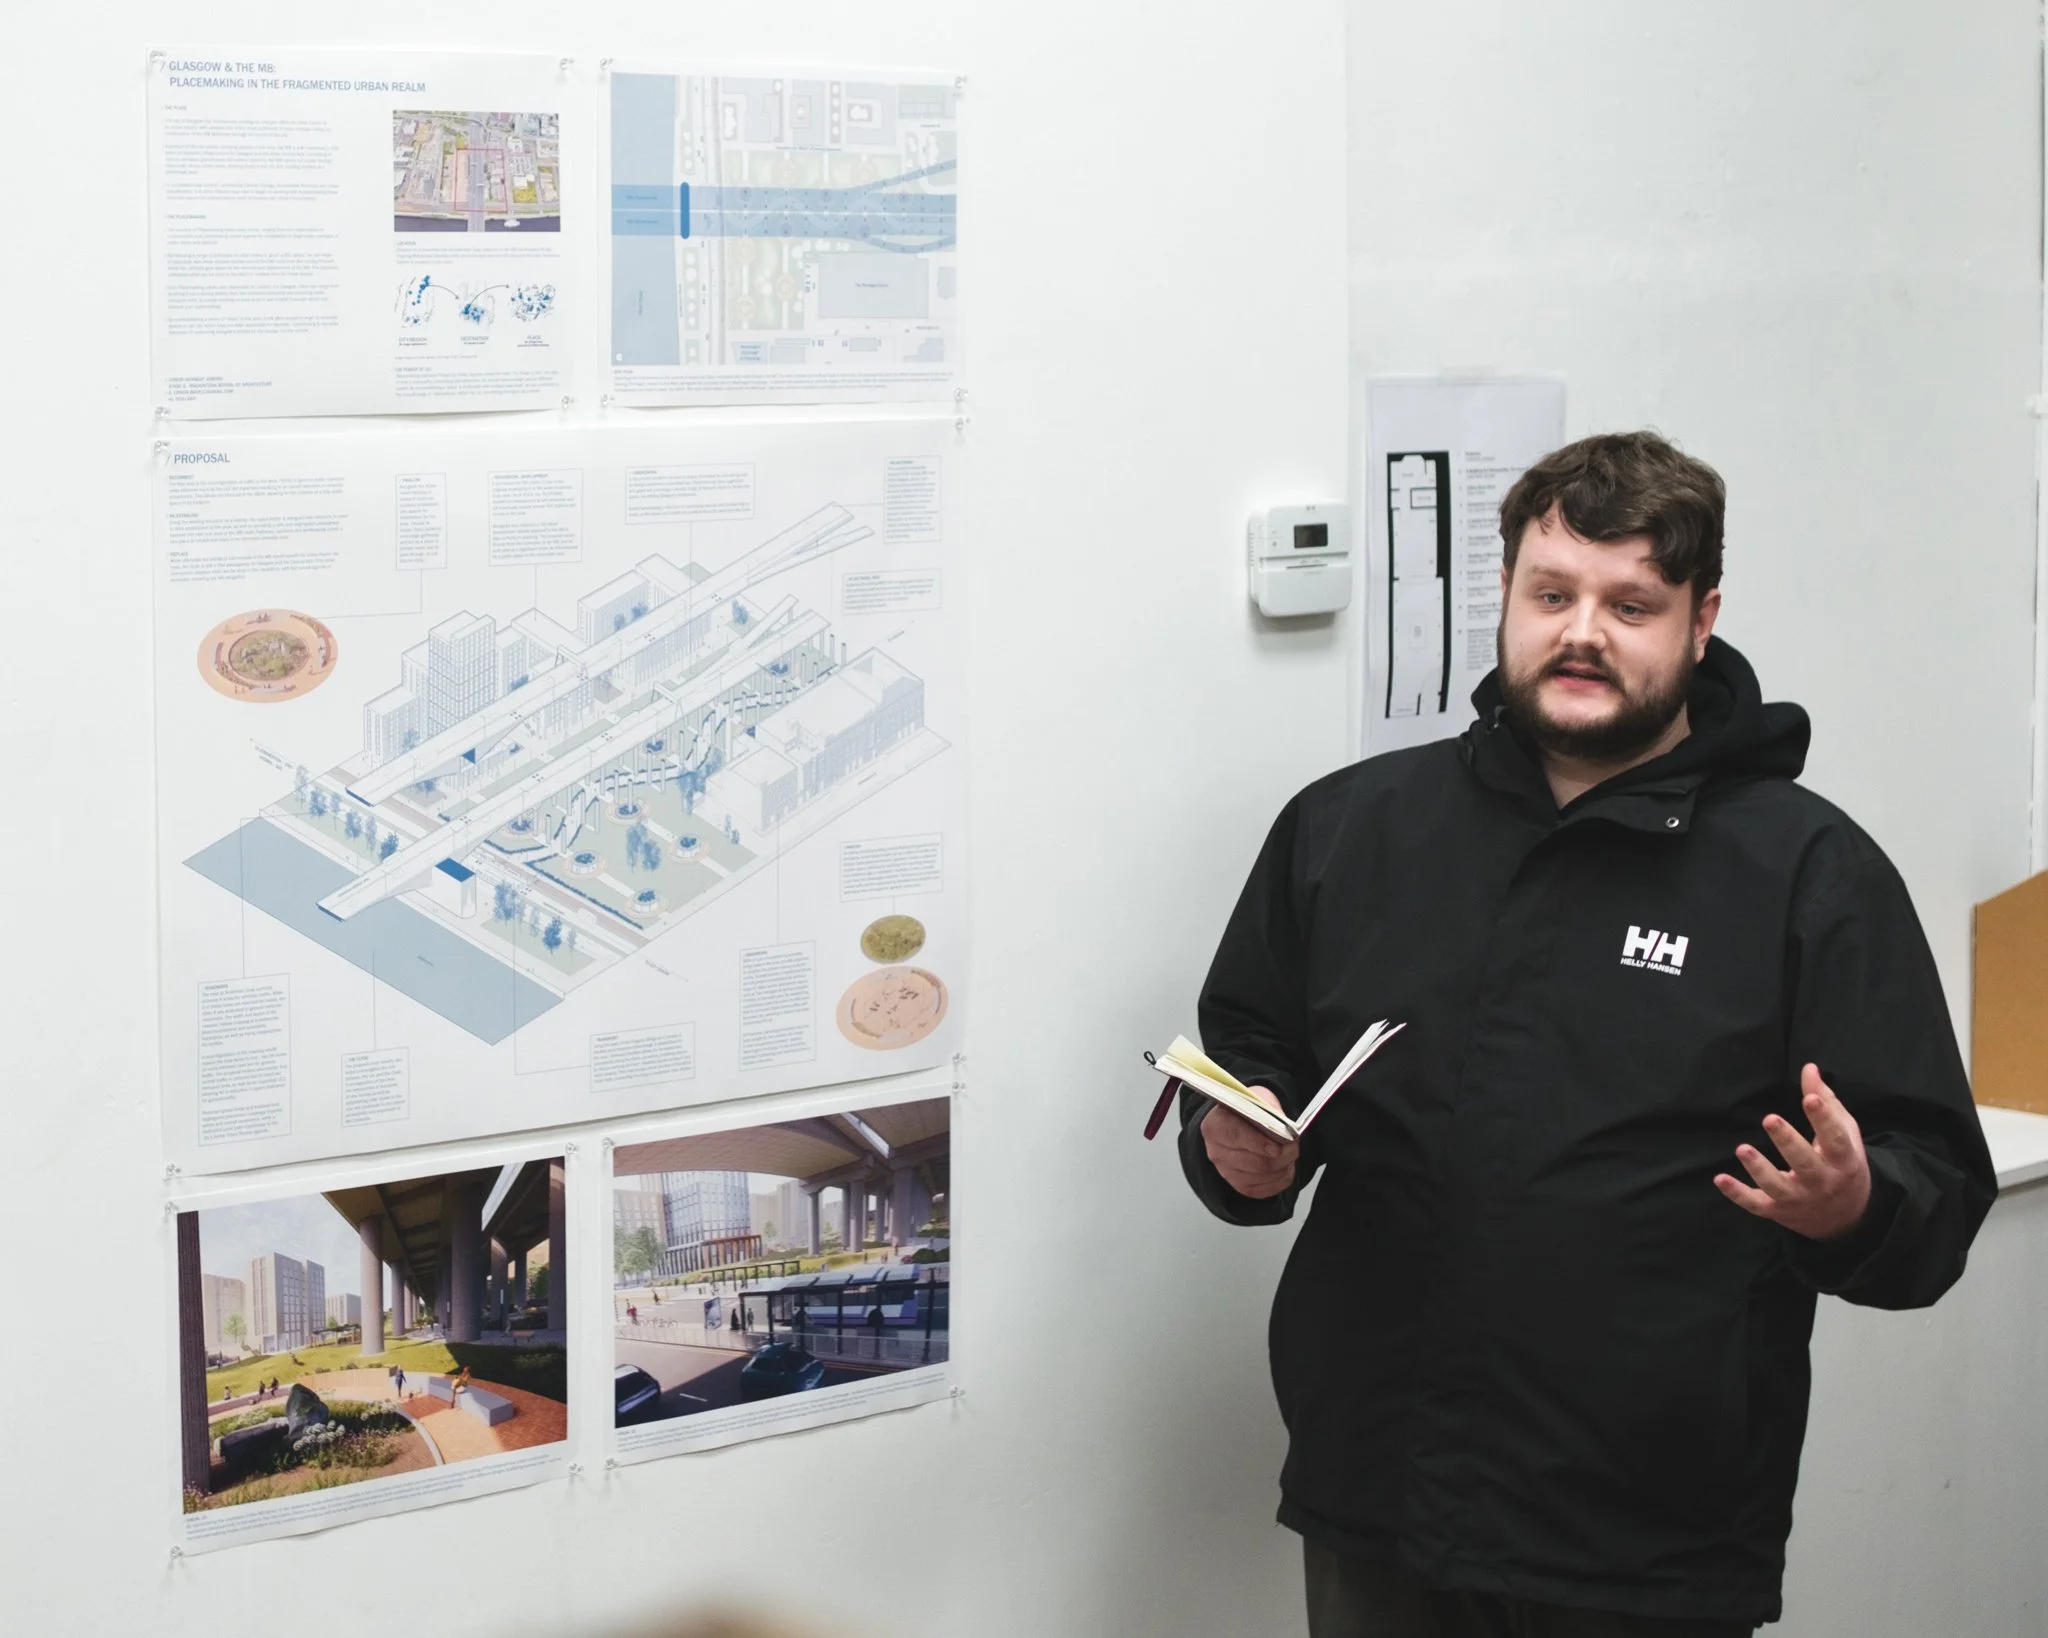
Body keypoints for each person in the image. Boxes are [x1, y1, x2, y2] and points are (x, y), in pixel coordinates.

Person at [1181, 432, 1996, 1638]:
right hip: (1378, 1486)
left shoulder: (1805, 872)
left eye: (1629, 605)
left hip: (1646, 1531)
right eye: (1550, 594)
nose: (1581, 633)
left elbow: (1932, 1184)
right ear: (1503, 595)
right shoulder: (1350, 829)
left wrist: (1852, 1204)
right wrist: (1234, 1153)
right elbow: (1248, 1058)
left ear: (1699, 620)